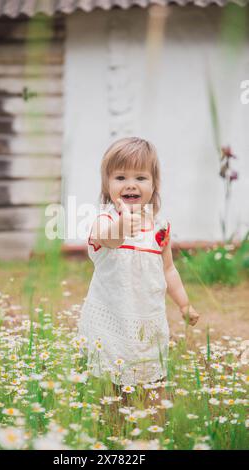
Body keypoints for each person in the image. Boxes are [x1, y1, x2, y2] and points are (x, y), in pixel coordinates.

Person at [77, 136, 199, 407]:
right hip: (111, 319)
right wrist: (123, 225)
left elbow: (168, 270)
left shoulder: (160, 227)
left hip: (148, 319)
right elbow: (109, 239)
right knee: (110, 385)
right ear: (107, 185)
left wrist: (184, 304)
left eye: (140, 177)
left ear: (154, 185)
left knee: (151, 382)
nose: (131, 184)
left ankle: (149, 431)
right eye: (120, 177)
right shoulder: (104, 221)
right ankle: (112, 427)